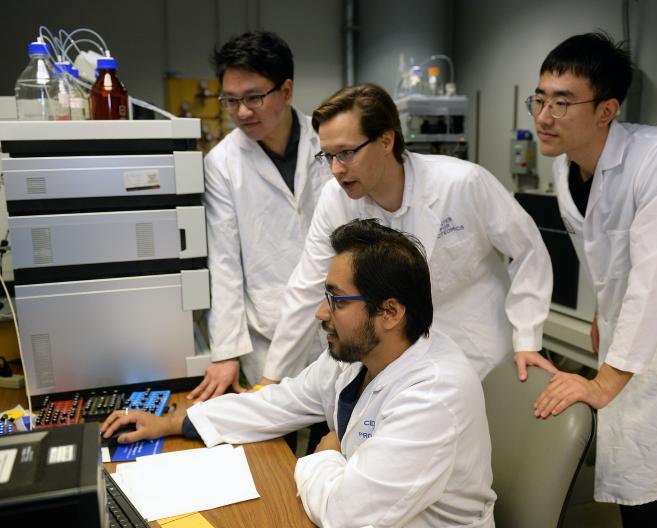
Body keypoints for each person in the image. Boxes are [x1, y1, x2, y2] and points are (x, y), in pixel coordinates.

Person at [102, 219, 497, 528]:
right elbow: (277, 404)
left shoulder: (435, 394)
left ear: (390, 313)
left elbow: (346, 514)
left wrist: (321, 456)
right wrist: (172, 423)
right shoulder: (362, 354)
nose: (321, 313)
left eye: (338, 301)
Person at [258, 83, 554, 387]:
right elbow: (307, 286)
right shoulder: (336, 200)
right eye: (328, 155)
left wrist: (528, 338)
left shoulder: (462, 183)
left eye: (346, 153)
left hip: (480, 350)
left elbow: (528, 250)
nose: (335, 169)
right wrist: (272, 377)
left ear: (386, 140)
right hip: (402, 359)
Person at [529, 32, 657, 527]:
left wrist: (603, 382)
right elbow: (606, 256)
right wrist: (599, 313)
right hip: (622, 332)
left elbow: (654, 280)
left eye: (562, 103)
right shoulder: (568, 172)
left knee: (648, 481)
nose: (544, 116)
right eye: (540, 99)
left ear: (606, 110)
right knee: (632, 471)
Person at [187, 31, 330, 401]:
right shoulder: (222, 163)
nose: (242, 112)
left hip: (338, 321)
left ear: (286, 90)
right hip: (269, 331)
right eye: (231, 100)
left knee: (340, 437)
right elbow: (224, 261)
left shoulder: (328, 142)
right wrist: (226, 351)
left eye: (253, 97)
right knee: (274, 446)